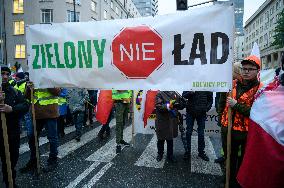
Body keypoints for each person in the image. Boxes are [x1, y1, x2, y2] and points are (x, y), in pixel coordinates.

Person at [219, 55, 263, 188]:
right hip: (228, 128)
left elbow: (257, 113)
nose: (246, 71)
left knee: (244, 159)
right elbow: (221, 102)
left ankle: (240, 181)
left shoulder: (261, 89)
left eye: (250, 69)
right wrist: (222, 117)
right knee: (229, 157)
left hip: (247, 132)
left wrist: (236, 105)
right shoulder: (231, 83)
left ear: (257, 71)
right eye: (244, 68)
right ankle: (229, 179)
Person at [20, 86, 61, 173]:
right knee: (32, 137)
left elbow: (57, 92)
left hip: (50, 113)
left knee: (52, 138)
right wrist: (28, 88)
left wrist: (46, 83)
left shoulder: (53, 75)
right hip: (36, 113)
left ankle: (53, 160)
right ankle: (34, 160)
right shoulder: (33, 76)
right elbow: (27, 96)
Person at [0, 66, 29, 187]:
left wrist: (12, 109)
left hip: (12, 131)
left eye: (7, 74)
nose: (5, 76)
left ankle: (10, 181)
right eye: (2, 74)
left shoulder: (14, 91)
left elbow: (25, 106)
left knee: (12, 158)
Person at [215, 62, 242, 164]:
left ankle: (235, 161)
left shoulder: (244, 86)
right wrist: (220, 114)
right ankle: (225, 157)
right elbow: (221, 101)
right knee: (225, 142)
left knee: (236, 146)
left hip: (239, 123)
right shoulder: (227, 83)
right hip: (226, 120)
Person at [182, 91, 213, 161]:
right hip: (190, 111)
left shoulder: (207, 85)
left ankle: (201, 152)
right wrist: (190, 92)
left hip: (202, 113)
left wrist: (206, 108)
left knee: (201, 133)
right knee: (188, 132)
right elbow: (184, 95)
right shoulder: (190, 81)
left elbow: (210, 100)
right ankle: (187, 152)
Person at [155, 91, 185, 162]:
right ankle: (160, 154)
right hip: (162, 120)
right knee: (161, 139)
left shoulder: (175, 93)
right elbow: (159, 106)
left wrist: (183, 103)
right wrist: (169, 105)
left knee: (170, 139)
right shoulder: (159, 94)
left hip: (171, 120)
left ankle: (170, 155)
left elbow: (179, 107)